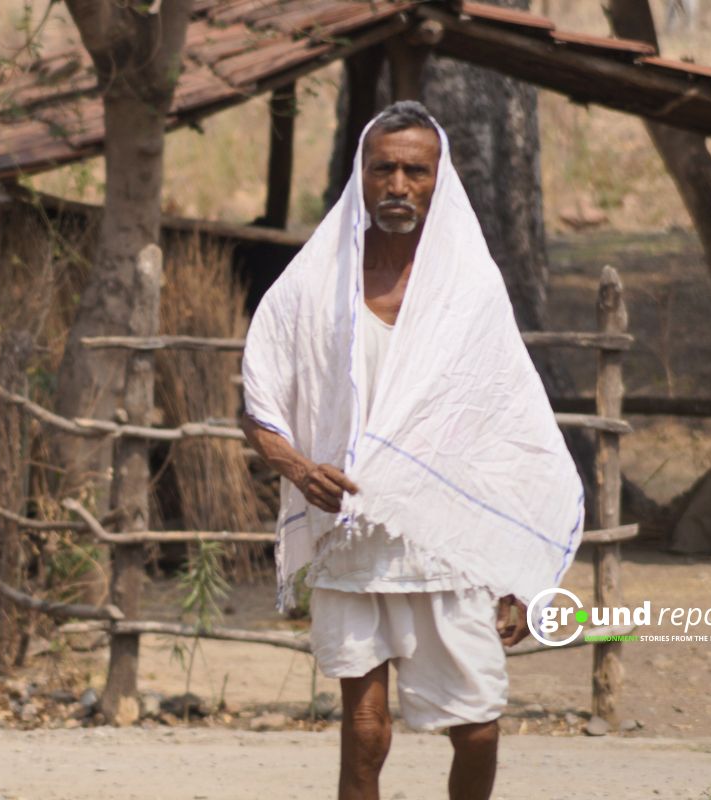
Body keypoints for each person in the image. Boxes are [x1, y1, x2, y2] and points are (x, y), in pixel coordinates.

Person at [240, 101, 585, 800]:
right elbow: (258, 408)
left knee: (479, 726)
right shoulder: (316, 285)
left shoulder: (469, 290)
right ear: (361, 176)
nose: (398, 185)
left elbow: (509, 430)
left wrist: (517, 570)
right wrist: (301, 471)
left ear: (439, 180)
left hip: (447, 547)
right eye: (384, 169)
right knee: (366, 733)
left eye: (415, 172)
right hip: (353, 542)